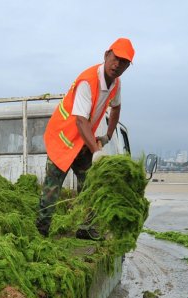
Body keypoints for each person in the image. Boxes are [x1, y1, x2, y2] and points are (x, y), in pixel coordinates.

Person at [36, 38, 134, 237]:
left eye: (124, 62)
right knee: (52, 188)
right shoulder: (87, 81)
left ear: (127, 66)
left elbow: (116, 108)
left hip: (83, 141)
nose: (118, 65)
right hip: (63, 139)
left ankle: (85, 229)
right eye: (116, 59)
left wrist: (107, 136)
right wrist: (97, 151)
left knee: (91, 185)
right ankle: (41, 231)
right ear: (106, 55)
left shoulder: (116, 84)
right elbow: (80, 121)